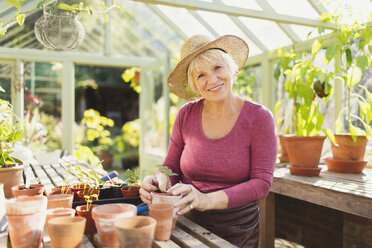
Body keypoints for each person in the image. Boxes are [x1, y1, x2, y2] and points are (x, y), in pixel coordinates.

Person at [140, 34, 277, 247]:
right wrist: (158, 182)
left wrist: (206, 200)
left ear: (231, 69)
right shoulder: (185, 115)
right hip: (187, 220)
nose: (211, 80)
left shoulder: (259, 118)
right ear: (193, 84)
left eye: (217, 68)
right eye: (200, 75)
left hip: (237, 228)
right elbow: (171, 167)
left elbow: (261, 184)